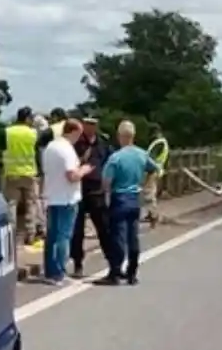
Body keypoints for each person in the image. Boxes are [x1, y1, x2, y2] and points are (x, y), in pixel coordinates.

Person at [100, 120, 159, 285]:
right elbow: (155, 169)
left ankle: (115, 272)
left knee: (118, 236)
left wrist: (107, 194)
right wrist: (146, 184)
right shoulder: (141, 154)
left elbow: (106, 181)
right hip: (135, 198)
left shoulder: (116, 158)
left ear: (120, 136)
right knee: (133, 237)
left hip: (119, 197)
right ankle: (132, 272)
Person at [41, 119, 92, 284]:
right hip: (67, 198)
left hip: (52, 195)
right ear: (74, 132)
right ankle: (59, 273)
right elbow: (72, 176)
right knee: (64, 236)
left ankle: (49, 271)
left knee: (52, 236)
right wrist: (84, 169)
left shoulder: (50, 147)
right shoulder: (67, 149)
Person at [70, 116, 112, 277]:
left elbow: (110, 162)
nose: (90, 127)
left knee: (104, 228)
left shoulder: (103, 143)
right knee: (77, 231)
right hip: (79, 190)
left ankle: (112, 262)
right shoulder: (76, 144)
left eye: (93, 124)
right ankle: (78, 264)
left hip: (97, 190)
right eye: (87, 124)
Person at [2, 106, 42, 246]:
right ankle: (30, 235)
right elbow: (37, 151)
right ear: (27, 118)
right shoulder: (33, 133)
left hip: (12, 172)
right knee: (30, 204)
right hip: (29, 172)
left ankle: (11, 236)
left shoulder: (8, 132)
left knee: (12, 204)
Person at [144, 123, 169, 225]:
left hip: (154, 169)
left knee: (149, 193)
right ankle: (151, 213)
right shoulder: (161, 142)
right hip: (158, 169)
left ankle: (153, 215)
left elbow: (151, 157)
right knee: (151, 192)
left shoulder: (159, 143)